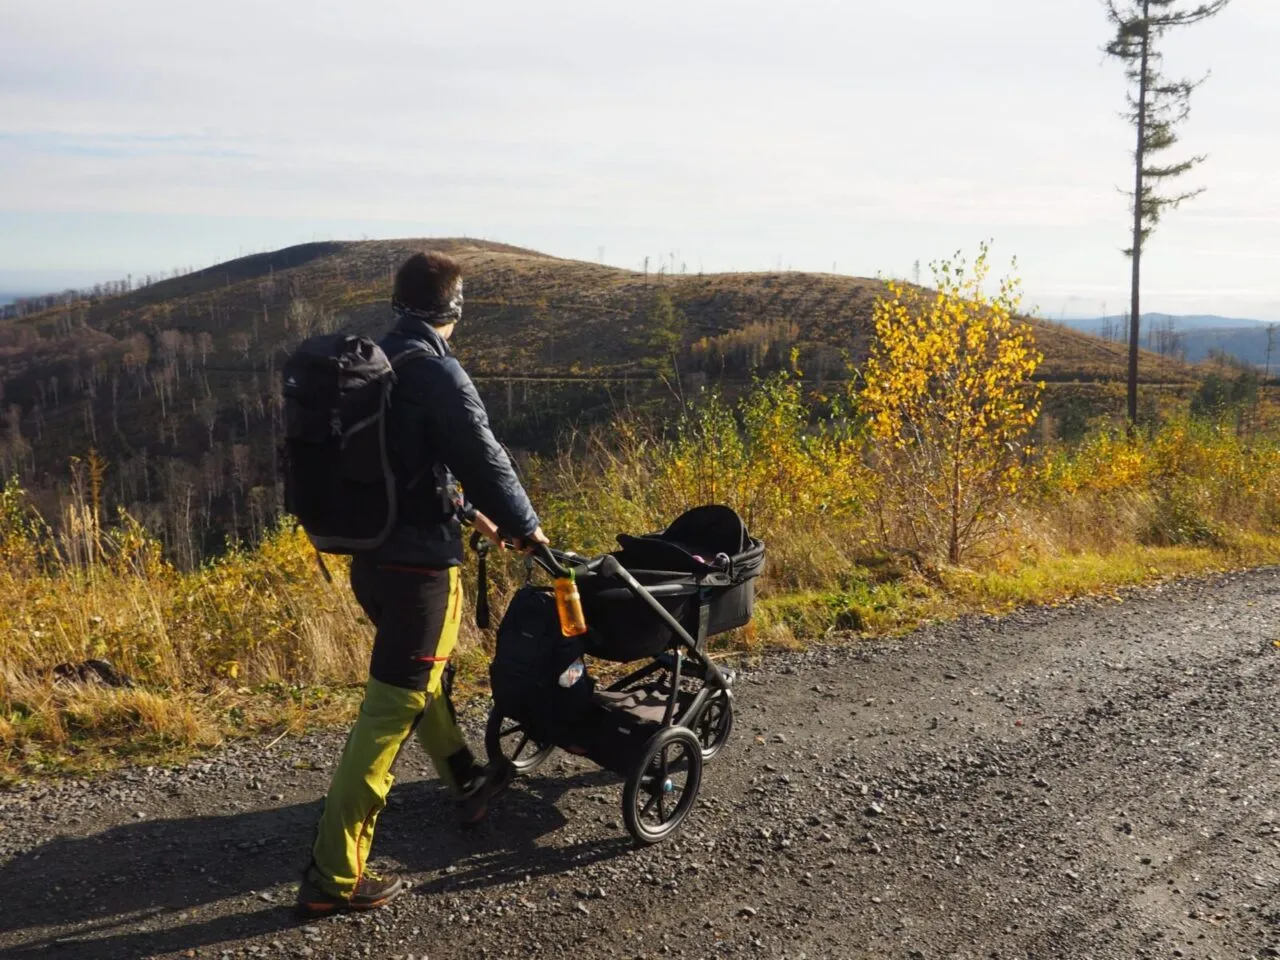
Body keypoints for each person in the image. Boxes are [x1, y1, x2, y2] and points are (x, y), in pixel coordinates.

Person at [297, 250, 548, 918]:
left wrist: (473, 516)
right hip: (420, 574)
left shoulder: (378, 361)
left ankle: (466, 781)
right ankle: (333, 874)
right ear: (453, 307)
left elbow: (410, 469)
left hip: (372, 560)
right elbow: (482, 454)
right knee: (389, 713)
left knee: (420, 679)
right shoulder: (436, 370)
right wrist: (527, 526)